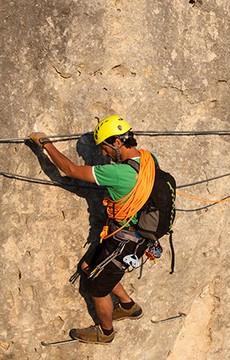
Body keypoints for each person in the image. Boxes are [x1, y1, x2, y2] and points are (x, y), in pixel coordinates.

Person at [29, 115, 155, 344]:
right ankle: (128, 306)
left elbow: (70, 169)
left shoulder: (118, 173)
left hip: (124, 241)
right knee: (89, 266)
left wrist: (45, 144)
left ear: (117, 142)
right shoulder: (147, 160)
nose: (104, 154)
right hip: (135, 236)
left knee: (97, 288)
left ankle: (106, 332)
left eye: (105, 147)